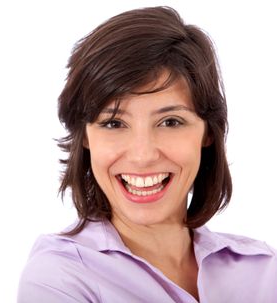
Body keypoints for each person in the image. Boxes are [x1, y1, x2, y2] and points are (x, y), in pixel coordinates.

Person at [17, 6, 277, 303]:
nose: (142, 155)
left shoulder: (264, 270)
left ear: (207, 133)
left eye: (170, 122)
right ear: (85, 137)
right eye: (113, 123)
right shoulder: (59, 278)